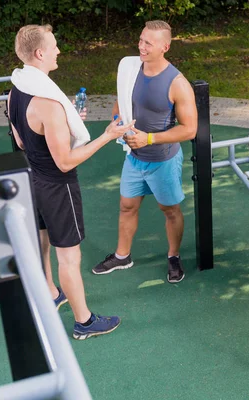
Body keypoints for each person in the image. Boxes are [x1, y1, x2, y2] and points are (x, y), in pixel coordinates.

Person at [8, 24, 134, 339]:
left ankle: (51, 293)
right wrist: (108, 135)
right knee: (69, 256)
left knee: (43, 241)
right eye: (54, 46)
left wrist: (64, 124)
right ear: (39, 53)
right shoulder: (48, 104)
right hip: (57, 186)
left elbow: (22, 142)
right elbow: (64, 161)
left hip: (32, 179)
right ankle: (84, 322)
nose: (58, 51)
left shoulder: (16, 91)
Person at [93, 21, 197, 283]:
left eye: (148, 43)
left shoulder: (178, 83)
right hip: (134, 157)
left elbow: (190, 130)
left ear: (165, 46)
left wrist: (149, 138)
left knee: (170, 210)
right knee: (127, 207)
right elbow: (120, 100)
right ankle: (122, 255)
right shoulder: (130, 69)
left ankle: (173, 256)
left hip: (163, 160)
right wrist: (117, 121)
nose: (141, 46)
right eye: (140, 40)